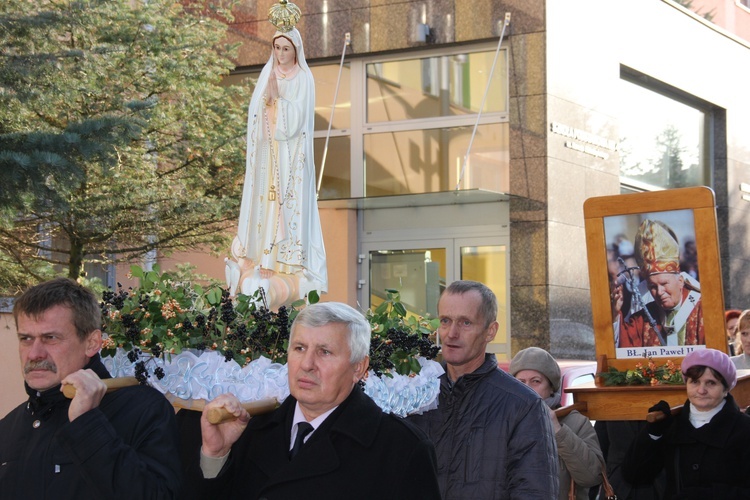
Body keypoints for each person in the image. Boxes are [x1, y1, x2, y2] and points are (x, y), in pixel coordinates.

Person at [185, 302, 441, 499]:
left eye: (325, 352)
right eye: (299, 348)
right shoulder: (250, 431)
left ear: (359, 368)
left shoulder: (400, 448)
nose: (307, 365)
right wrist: (215, 456)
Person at [0, 278, 182, 499]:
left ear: (92, 343)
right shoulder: (8, 427)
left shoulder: (143, 410)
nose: (34, 353)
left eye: (50, 338)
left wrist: (87, 424)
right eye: (26, 339)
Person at [407, 280, 559, 499]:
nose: (451, 333)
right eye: (445, 321)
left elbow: (535, 492)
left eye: (465, 323)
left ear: (490, 331)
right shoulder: (414, 394)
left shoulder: (522, 405)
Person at [225, 7, 327, 306]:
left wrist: (277, 101)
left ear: (295, 50)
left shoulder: (303, 79)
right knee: (264, 204)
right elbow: (255, 115)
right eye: (277, 48)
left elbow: (296, 121)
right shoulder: (267, 74)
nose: (281, 54)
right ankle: (259, 253)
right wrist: (266, 102)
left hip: (290, 158)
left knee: (286, 206)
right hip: (268, 157)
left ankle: (284, 259)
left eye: (286, 49)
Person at [623, 348, 750, 498]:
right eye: (695, 381)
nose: (701, 390)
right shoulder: (672, 425)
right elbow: (635, 476)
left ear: (726, 388)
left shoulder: (744, 429)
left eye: (711, 383)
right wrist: (652, 434)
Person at [510, 347, 603, 500]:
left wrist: (557, 430)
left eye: (535, 381)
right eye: (521, 382)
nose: (526, 389)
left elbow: (592, 477)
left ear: (551, 388)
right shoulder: (502, 421)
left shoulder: (576, 422)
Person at [613, 219, 703, 347]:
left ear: (681, 281)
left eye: (664, 283)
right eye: (653, 287)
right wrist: (615, 314)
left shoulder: (702, 310)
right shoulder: (644, 317)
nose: (659, 292)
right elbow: (626, 344)